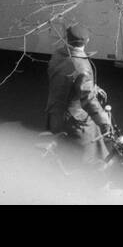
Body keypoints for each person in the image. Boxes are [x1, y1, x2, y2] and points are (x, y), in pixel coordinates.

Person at [44, 23, 113, 166]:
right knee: (87, 159)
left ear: (67, 39)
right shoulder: (82, 67)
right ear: (87, 41)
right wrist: (104, 120)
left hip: (54, 113)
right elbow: (87, 99)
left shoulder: (57, 55)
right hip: (75, 121)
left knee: (61, 155)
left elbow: (66, 81)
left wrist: (92, 86)